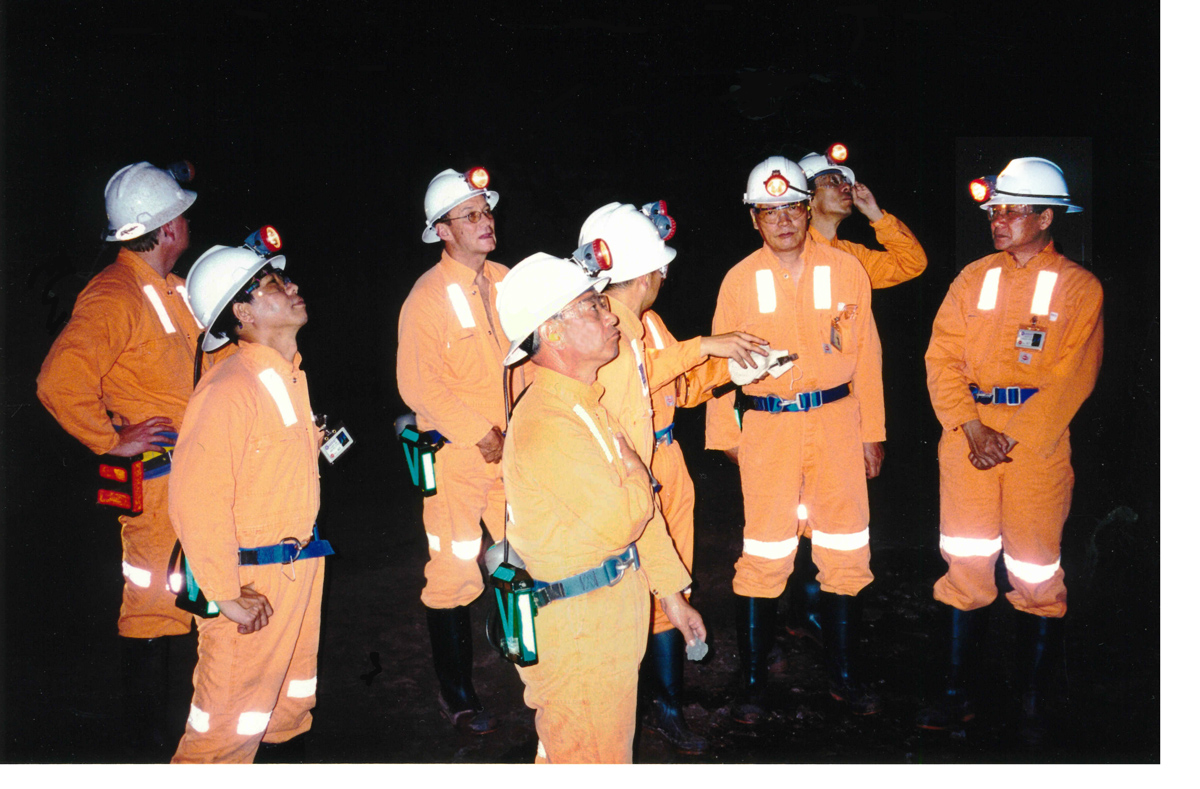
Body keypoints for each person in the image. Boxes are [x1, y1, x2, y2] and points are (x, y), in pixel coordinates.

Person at [919, 157, 1103, 746]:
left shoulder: (1080, 287)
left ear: (1047, 218)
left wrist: (1011, 435)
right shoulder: (972, 278)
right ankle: (954, 697)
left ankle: (1031, 701)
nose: (998, 220)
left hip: (1036, 446)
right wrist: (971, 427)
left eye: (1012, 211)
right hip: (967, 438)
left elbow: (1075, 376)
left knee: (1035, 573)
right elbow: (940, 358)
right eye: (994, 211)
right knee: (965, 567)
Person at [496, 252, 706, 763]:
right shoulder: (548, 421)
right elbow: (623, 519)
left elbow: (642, 519)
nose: (611, 315)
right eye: (592, 307)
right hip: (578, 634)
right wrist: (638, 472)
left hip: (605, 621)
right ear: (554, 332)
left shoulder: (584, 402)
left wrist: (671, 593)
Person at [577, 201, 765, 754]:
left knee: (672, 583)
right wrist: (707, 345)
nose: (665, 273)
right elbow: (634, 382)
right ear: (644, 269)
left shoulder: (650, 324)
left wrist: (736, 368)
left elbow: (680, 387)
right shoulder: (600, 330)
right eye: (660, 264)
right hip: (628, 471)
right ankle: (625, 706)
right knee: (625, 590)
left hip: (668, 463)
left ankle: (666, 702)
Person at [705, 156, 886, 722]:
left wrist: (873, 432)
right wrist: (725, 434)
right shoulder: (739, 278)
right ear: (753, 220)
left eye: (791, 208)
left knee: (845, 550)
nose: (782, 220)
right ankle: (754, 682)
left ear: (807, 210)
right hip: (768, 424)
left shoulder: (847, 269)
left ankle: (845, 676)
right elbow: (715, 364)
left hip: (837, 423)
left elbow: (869, 355)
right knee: (763, 552)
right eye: (768, 211)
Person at [36, 161, 209, 754]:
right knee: (151, 609)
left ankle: (185, 736)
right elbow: (60, 380)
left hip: (190, 475)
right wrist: (112, 440)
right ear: (165, 229)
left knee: (190, 601)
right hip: (152, 480)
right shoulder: (114, 293)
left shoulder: (173, 290)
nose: (188, 223)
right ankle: (147, 749)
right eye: (180, 216)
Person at [168, 242, 332, 763]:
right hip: (251, 589)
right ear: (241, 312)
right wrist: (225, 595)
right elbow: (196, 501)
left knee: (284, 719)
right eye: (272, 285)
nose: (292, 288)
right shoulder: (227, 389)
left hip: (297, 577)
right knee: (220, 742)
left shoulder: (286, 378)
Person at [782, 148, 927, 646]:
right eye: (830, 180)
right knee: (796, 514)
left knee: (834, 514)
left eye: (849, 181)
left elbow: (912, 263)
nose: (844, 187)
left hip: (841, 407)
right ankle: (800, 609)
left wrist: (876, 215)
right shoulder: (785, 250)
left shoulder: (853, 258)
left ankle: (819, 609)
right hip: (793, 408)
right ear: (805, 195)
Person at [396, 166, 517, 734]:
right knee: (453, 572)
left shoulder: (507, 278)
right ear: (442, 231)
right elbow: (419, 386)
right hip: (458, 458)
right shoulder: (427, 297)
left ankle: (519, 649)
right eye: (470, 215)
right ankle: (458, 691)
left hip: (513, 450)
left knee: (526, 558)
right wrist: (480, 432)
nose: (484, 220)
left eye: (486, 210)